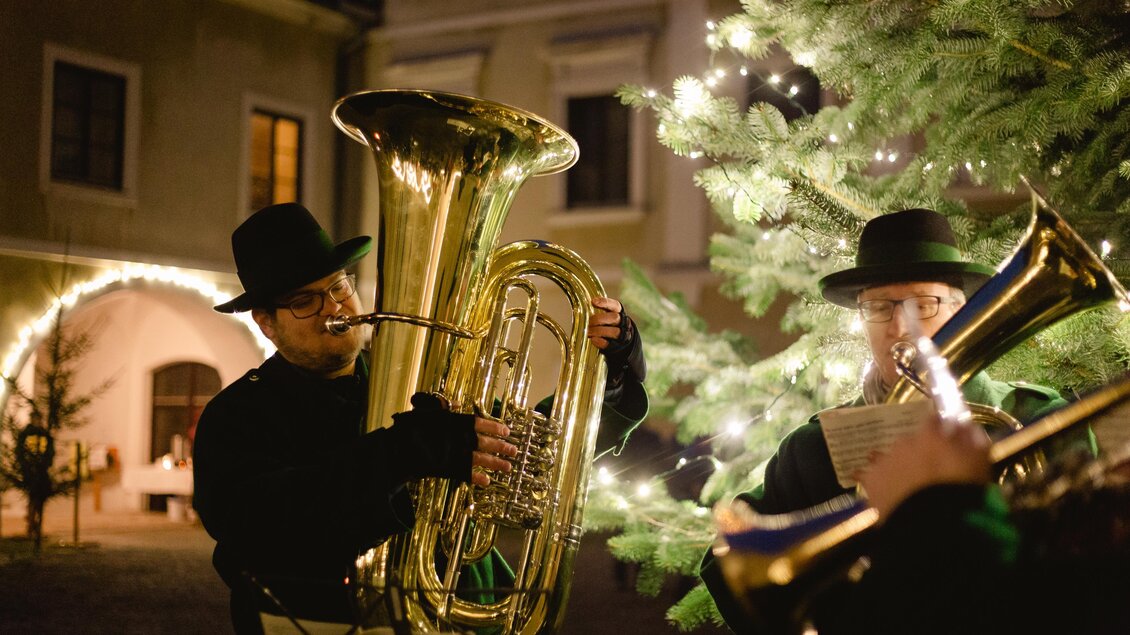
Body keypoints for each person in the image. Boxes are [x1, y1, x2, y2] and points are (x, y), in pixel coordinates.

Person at [192, 203, 648, 634]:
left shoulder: (417, 374)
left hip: (465, 618)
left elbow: (520, 444)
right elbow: (259, 523)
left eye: (338, 287)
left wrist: (606, 376)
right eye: (304, 301)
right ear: (266, 322)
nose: (334, 307)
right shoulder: (236, 416)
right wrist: (400, 453)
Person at [700, 208, 1073, 631]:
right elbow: (732, 564)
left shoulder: (1035, 417)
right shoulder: (813, 447)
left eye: (923, 304)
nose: (899, 326)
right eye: (878, 307)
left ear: (961, 309)